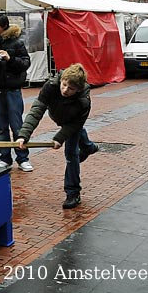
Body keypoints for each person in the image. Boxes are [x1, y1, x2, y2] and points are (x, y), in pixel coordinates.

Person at [15, 63, 99, 209]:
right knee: (81, 137)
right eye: (64, 85)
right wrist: (24, 135)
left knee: (71, 154)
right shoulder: (51, 86)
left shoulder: (83, 101)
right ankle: (89, 147)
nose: (65, 90)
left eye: (71, 88)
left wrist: (59, 138)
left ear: (78, 89)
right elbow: (37, 110)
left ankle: (73, 194)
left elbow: (74, 125)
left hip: (72, 122)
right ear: (62, 80)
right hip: (60, 117)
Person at [0, 13, 33, 172]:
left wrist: (10, 59)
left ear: (4, 26)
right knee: (2, 126)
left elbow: (25, 63)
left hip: (12, 90)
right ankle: (4, 158)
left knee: (17, 125)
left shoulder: (16, 43)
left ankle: (23, 158)